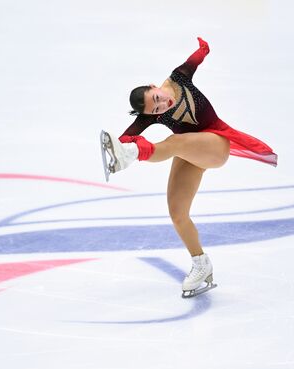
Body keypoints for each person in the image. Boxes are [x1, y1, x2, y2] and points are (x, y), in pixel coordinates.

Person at [101, 36, 277, 298]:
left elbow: (194, 61)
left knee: (173, 142)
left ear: (154, 86)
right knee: (177, 213)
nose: (162, 105)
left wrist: (203, 49)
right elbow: (128, 135)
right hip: (189, 152)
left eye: (158, 98)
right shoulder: (153, 114)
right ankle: (201, 263)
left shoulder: (178, 79)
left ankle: (132, 156)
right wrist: (120, 144)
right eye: (156, 108)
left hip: (216, 145)